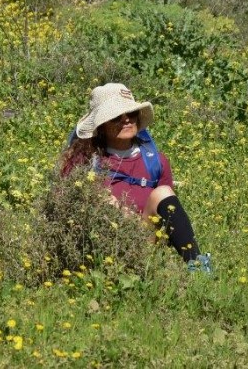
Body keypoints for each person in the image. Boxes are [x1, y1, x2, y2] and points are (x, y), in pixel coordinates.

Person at [59, 83, 212, 272]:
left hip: (145, 241)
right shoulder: (86, 161)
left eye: (131, 114)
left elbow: (168, 218)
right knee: (100, 195)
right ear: (102, 125)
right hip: (101, 247)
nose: (126, 120)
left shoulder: (156, 161)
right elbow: (65, 206)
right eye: (116, 116)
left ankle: (197, 266)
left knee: (163, 192)